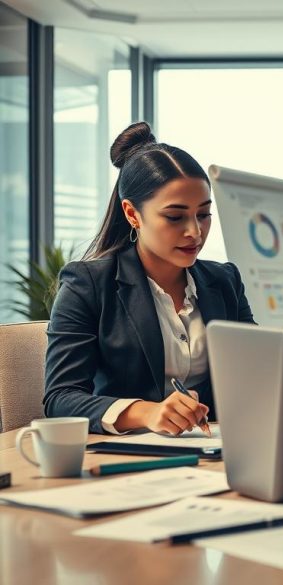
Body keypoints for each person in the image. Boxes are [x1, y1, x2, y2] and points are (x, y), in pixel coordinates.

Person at [44, 122, 255, 436]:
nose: (195, 232)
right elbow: (60, 398)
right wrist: (147, 412)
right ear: (132, 214)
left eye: (203, 214)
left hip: (214, 446)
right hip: (125, 453)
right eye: (175, 216)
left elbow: (256, 372)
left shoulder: (225, 281)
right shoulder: (87, 284)